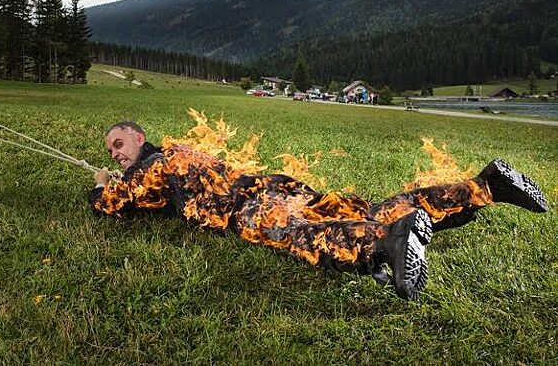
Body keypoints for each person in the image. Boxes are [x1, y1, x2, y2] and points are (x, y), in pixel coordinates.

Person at [88, 121, 549, 300]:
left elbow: (115, 203)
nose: (114, 153)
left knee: (298, 235)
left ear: (138, 137)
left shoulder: (156, 163)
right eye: (110, 151)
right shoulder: (178, 155)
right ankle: (484, 186)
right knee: (370, 208)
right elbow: (150, 199)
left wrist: (99, 186)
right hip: (283, 187)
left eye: (118, 144)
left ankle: (384, 244)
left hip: (255, 206)